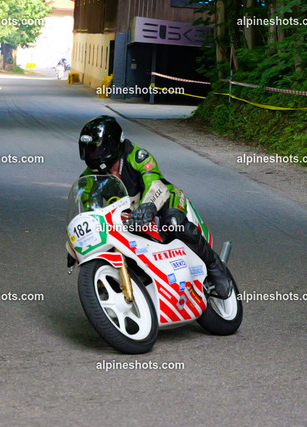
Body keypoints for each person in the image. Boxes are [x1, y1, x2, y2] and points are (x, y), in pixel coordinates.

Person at [77, 115, 233, 299]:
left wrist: (148, 205)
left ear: (112, 145)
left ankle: (215, 266)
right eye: (87, 150)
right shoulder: (89, 178)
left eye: (96, 149)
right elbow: (90, 209)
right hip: (130, 216)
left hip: (163, 198)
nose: (91, 156)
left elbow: (153, 182)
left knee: (173, 223)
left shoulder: (137, 156)